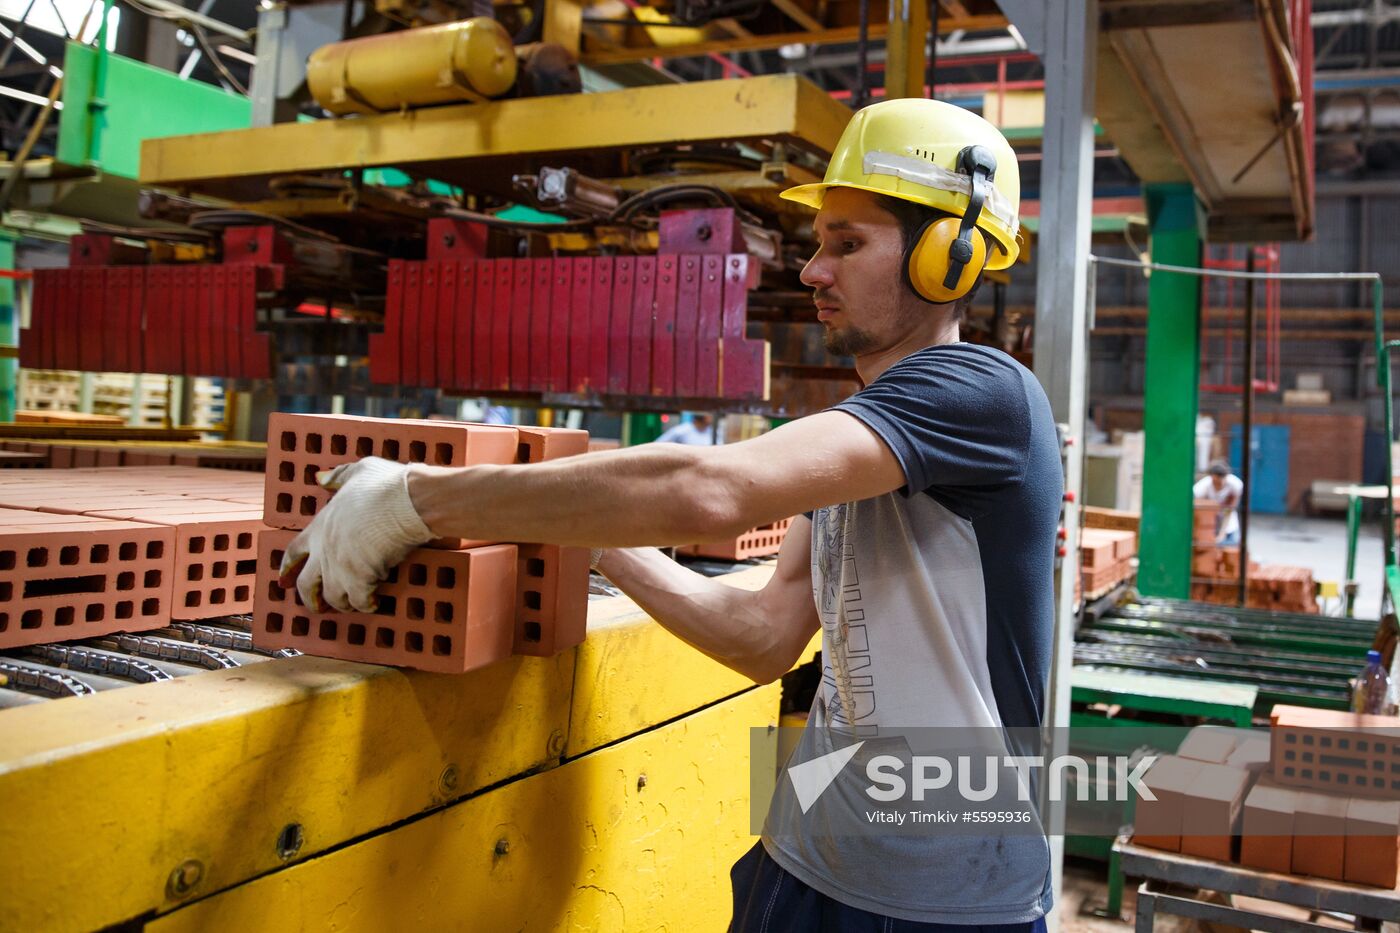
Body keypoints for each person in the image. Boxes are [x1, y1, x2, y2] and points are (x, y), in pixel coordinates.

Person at [279, 98, 1060, 930]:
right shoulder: (866, 438)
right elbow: (763, 635)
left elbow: (710, 488)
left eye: (847, 243)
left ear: (951, 257)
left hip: (944, 896)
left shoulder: (984, 396)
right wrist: (595, 545)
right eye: (818, 243)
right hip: (807, 858)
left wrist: (411, 502)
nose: (812, 272)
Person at [1193, 459, 1243, 545]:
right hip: (1208, 521)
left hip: (1227, 519)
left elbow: (1230, 509)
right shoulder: (1202, 487)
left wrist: (1222, 533)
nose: (1220, 484)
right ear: (1212, 477)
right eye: (1216, 481)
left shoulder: (1235, 485)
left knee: (1232, 543)